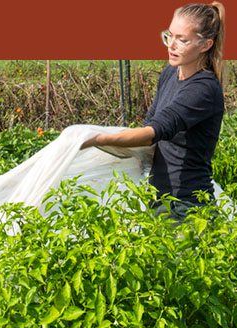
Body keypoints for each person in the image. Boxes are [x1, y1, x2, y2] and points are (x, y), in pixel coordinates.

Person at [80, 2, 226, 227]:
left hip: (188, 208)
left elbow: (154, 132)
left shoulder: (203, 89)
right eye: (170, 35)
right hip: (160, 200)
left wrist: (94, 140)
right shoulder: (170, 74)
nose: (172, 45)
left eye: (182, 40)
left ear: (205, 45)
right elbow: (151, 123)